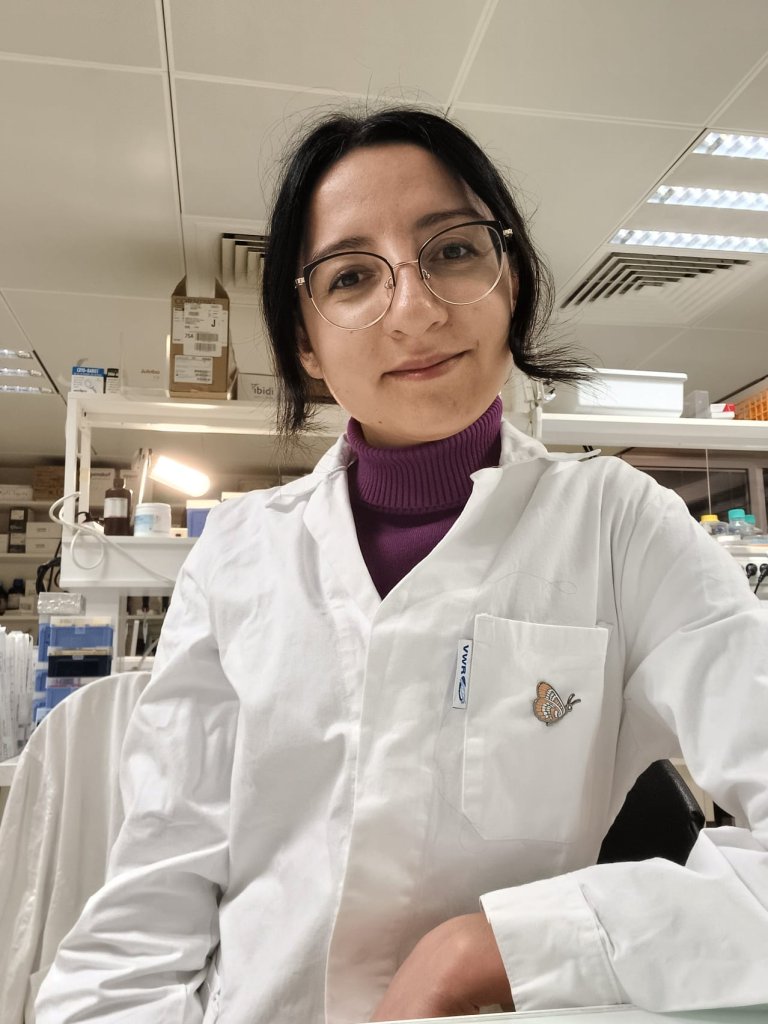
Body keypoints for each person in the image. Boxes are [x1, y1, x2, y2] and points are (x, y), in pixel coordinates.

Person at [37, 106, 768, 1024]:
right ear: (306, 343)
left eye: (453, 251)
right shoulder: (240, 553)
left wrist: (496, 947)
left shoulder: (622, 527)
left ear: (512, 282)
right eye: (351, 276)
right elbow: (151, 907)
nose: (416, 310)